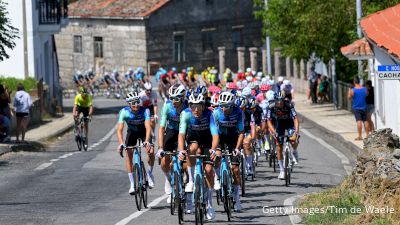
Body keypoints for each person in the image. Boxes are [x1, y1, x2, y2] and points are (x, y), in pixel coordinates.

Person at [178, 92, 219, 219]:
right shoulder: (185, 114)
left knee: (208, 170)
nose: (195, 109)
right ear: (189, 106)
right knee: (193, 148)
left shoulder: (209, 113)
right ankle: (190, 180)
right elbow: (181, 134)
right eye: (193, 106)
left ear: (203, 106)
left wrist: (213, 149)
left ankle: (209, 204)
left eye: (198, 106)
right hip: (193, 138)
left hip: (207, 140)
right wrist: (181, 150)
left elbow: (215, 135)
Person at [117, 92, 155, 193]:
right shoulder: (124, 112)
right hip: (132, 133)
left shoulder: (145, 111)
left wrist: (147, 141)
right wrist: (121, 143)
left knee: (151, 151)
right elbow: (119, 129)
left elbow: (148, 127)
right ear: (129, 104)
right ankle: (132, 184)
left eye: (137, 102)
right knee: (128, 154)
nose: (136, 105)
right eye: (133, 103)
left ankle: (150, 174)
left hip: (143, 133)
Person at [213, 91, 244, 211]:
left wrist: (237, 148)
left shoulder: (238, 112)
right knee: (217, 156)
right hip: (219, 138)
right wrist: (214, 149)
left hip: (233, 139)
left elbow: (241, 132)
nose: (223, 108)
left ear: (232, 105)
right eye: (221, 105)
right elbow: (213, 132)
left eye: (226, 106)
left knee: (235, 169)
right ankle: (217, 177)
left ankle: (237, 197)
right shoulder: (216, 113)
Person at [156, 84, 187, 204]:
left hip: (185, 132)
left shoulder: (187, 107)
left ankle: (187, 180)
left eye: (177, 99)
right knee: (164, 161)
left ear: (183, 98)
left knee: (185, 162)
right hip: (171, 131)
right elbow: (161, 128)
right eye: (171, 98)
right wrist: (160, 147)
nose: (173, 101)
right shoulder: (167, 106)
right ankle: (169, 179)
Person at [266, 91, 300, 179]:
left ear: (284, 100)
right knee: (279, 146)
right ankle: (281, 170)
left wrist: (296, 132)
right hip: (279, 125)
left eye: (281, 100)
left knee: (293, 139)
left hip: (289, 124)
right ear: (275, 100)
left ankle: (295, 151)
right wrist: (273, 131)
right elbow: (268, 121)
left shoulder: (289, 105)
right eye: (278, 100)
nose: (279, 102)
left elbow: (295, 119)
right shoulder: (271, 107)